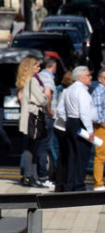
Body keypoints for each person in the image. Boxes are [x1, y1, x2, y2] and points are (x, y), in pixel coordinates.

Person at [16, 55, 50, 188]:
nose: (39, 68)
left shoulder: (27, 80)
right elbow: (41, 100)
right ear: (31, 67)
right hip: (33, 118)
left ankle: (30, 176)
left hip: (29, 118)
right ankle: (30, 176)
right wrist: (46, 95)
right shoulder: (33, 81)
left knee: (30, 147)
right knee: (31, 147)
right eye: (36, 65)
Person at [63, 66, 97, 192]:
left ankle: (70, 184)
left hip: (71, 122)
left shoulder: (69, 89)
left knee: (72, 154)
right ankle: (79, 185)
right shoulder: (82, 91)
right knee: (82, 154)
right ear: (80, 77)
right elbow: (84, 112)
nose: (90, 77)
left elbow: (62, 108)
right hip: (80, 123)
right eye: (88, 75)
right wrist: (90, 131)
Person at [36, 56, 57, 189]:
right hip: (47, 116)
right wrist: (49, 110)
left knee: (36, 145)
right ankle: (43, 176)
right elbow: (48, 94)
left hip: (38, 116)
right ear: (53, 66)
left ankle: (31, 173)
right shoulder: (49, 78)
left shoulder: (38, 76)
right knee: (44, 146)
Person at [53, 71, 74, 192]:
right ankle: (62, 184)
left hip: (62, 127)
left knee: (64, 156)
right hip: (63, 128)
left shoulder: (65, 91)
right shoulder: (67, 92)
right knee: (65, 156)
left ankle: (61, 184)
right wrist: (68, 122)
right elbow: (60, 111)